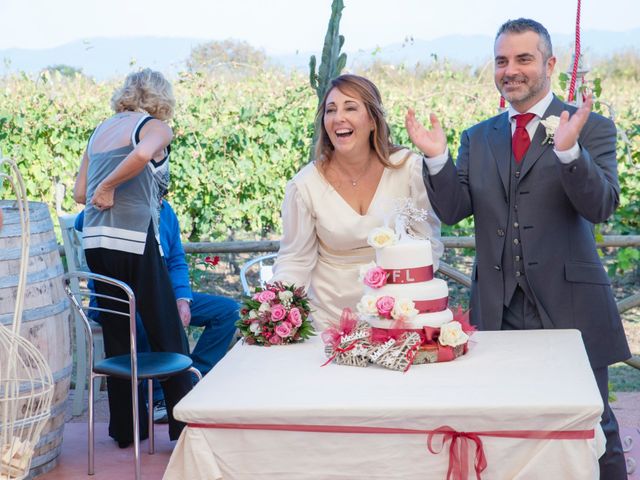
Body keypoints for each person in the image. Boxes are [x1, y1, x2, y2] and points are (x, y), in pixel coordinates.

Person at [405, 18, 630, 479]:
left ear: (549, 64)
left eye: (524, 59)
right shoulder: (477, 137)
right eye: (502, 60)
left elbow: (602, 205)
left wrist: (570, 154)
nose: (511, 70)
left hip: (572, 305)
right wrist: (437, 159)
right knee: (503, 419)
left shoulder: (591, 127)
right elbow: (452, 210)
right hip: (497, 305)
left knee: (592, 424)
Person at [73, 68, 192, 448]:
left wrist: (103, 185)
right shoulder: (154, 127)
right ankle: (185, 427)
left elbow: (79, 193)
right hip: (135, 240)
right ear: (161, 98)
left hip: (96, 242)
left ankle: (127, 429)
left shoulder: (98, 132)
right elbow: (143, 153)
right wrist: (110, 185)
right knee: (169, 335)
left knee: (118, 337)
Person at [271, 74, 443, 330]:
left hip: (399, 315)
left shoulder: (409, 169)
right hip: (328, 320)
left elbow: (427, 243)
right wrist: (277, 306)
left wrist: (403, 295)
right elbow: (295, 259)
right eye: (331, 110)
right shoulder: (305, 184)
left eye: (350, 107)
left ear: (373, 120)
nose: (338, 117)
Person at [74, 202, 240, 421]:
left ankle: (190, 381)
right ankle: (159, 398)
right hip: (118, 299)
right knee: (146, 318)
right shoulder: (109, 210)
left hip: (163, 294)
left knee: (227, 312)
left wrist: (182, 299)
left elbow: (177, 260)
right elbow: (81, 221)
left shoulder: (166, 211)